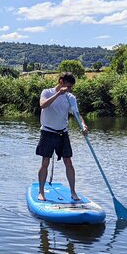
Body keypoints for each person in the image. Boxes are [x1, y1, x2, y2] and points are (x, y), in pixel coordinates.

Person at [36, 72, 87, 201]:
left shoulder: (70, 98)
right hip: (47, 132)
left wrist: (83, 125)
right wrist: (59, 94)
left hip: (62, 133)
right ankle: (41, 192)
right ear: (60, 81)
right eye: (68, 86)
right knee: (45, 162)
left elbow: (76, 114)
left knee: (68, 162)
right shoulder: (47, 92)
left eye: (71, 87)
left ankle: (73, 192)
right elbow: (42, 105)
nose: (69, 89)